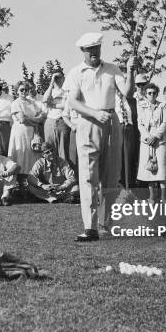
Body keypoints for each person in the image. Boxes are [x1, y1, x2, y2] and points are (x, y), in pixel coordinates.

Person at [65, 32, 135, 242]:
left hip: (111, 121)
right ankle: (90, 227)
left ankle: (105, 224)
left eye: (97, 48)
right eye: (90, 49)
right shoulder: (76, 72)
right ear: (83, 51)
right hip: (88, 121)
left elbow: (128, 92)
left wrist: (130, 70)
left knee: (111, 175)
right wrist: (94, 113)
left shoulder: (112, 69)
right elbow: (74, 103)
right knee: (88, 176)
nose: (94, 52)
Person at [135, 79, 166, 204]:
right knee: (150, 167)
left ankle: (163, 197)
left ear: (157, 94)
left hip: (160, 139)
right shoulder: (141, 105)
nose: (152, 95)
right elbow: (139, 123)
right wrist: (147, 136)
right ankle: (152, 197)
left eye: (154, 93)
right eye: (149, 93)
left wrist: (156, 136)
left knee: (162, 168)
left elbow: (165, 122)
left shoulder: (163, 106)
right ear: (145, 94)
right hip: (146, 139)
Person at [8, 80, 45, 178]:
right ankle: (21, 183)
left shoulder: (32, 102)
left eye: (26, 89)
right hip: (21, 133)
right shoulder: (16, 103)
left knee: (32, 156)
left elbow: (41, 117)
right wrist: (34, 122)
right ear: (17, 91)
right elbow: (22, 119)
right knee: (22, 156)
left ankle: (32, 181)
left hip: (32, 133)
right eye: (21, 90)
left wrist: (31, 120)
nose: (24, 91)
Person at [42, 68, 70, 160]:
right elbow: (45, 100)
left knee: (63, 151)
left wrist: (52, 104)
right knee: (49, 151)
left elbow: (65, 106)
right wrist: (51, 82)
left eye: (59, 77)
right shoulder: (50, 91)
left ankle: (65, 173)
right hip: (50, 122)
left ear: (63, 78)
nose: (58, 80)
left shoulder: (67, 91)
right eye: (55, 78)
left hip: (62, 122)